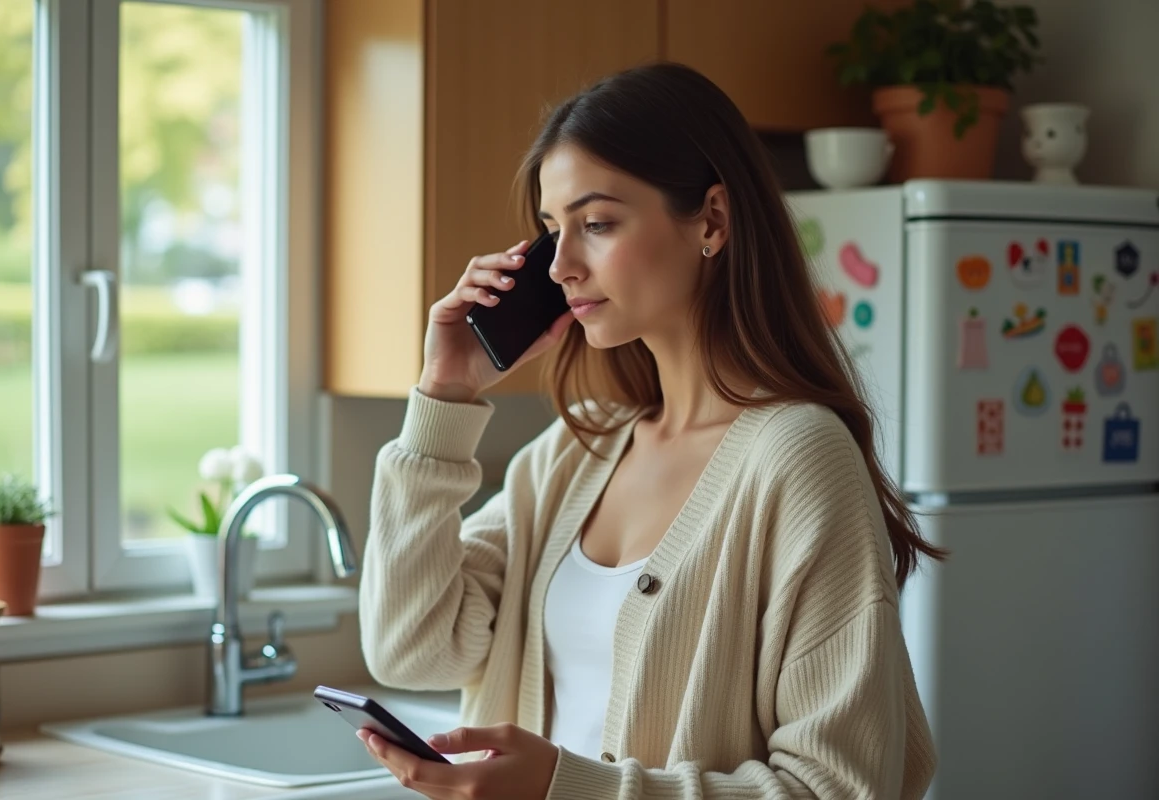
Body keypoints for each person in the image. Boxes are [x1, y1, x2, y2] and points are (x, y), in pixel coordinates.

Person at [356, 62, 943, 800]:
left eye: (597, 224)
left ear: (713, 220)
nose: (562, 266)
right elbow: (410, 650)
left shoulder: (796, 457)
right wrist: (443, 394)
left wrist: (564, 789)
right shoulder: (574, 453)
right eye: (550, 232)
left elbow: (841, 786)